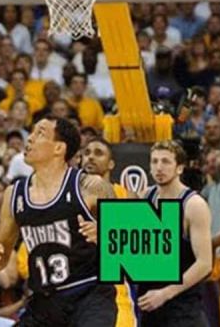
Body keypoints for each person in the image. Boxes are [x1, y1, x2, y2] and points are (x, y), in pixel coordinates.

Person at [0, 117, 117, 326]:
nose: (30, 138)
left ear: (59, 148)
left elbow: (131, 247)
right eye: (32, 132)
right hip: (43, 303)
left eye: (40, 133)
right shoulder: (14, 194)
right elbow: (1, 258)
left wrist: (108, 235)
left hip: (89, 295)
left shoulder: (90, 186)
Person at [137, 140, 213, 327]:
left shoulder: (194, 204)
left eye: (165, 162)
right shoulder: (144, 196)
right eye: (154, 162)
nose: (159, 167)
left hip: (183, 306)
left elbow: (204, 264)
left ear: (179, 168)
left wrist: (166, 293)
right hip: (149, 304)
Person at [80, 137, 136, 327]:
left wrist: (105, 232)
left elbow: (136, 248)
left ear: (111, 163)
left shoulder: (126, 195)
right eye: (86, 153)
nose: (90, 157)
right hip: (77, 289)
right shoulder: (69, 196)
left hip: (114, 287)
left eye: (98, 153)